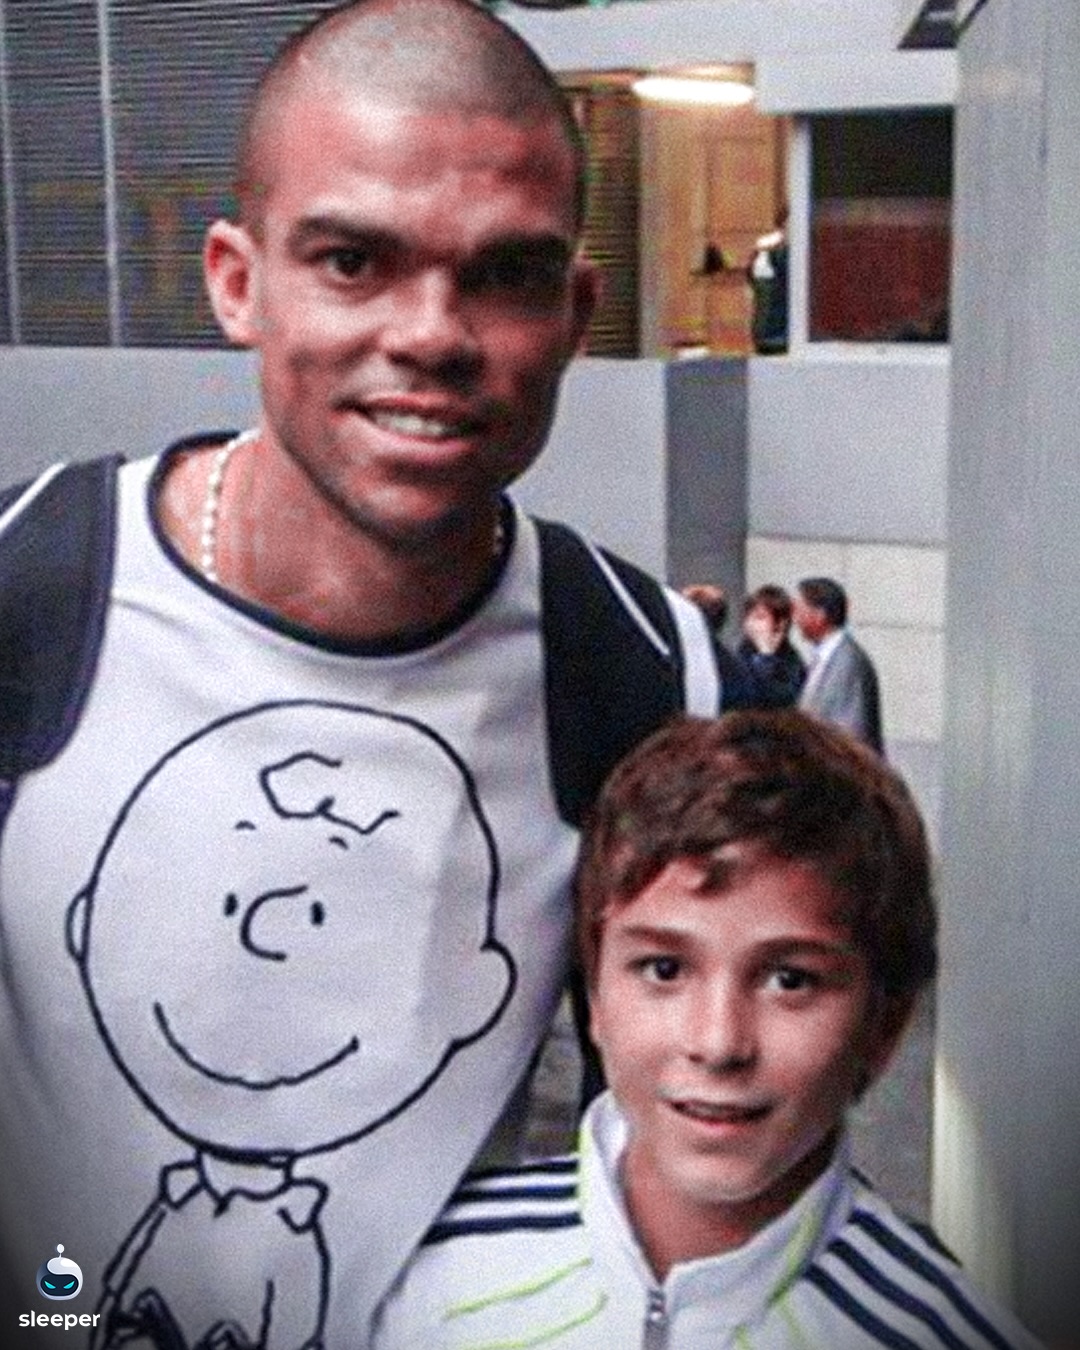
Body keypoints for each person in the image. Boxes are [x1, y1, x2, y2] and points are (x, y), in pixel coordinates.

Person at [0, 2, 727, 1345]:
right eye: (353, 260)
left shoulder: (633, 668)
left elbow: (686, 1158)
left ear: (576, 314)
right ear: (238, 282)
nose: (433, 333)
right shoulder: (31, 590)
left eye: (505, 275)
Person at [374, 710, 1042, 1349]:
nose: (719, 1043)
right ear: (595, 997)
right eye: (664, 969)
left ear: (883, 1026)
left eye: (790, 980)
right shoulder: (426, 1283)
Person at [794, 576, 884, 755]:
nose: (795, 619)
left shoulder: (849, 662)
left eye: (800, 610)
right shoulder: (825, 657)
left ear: (819, 615)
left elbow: (853, 732)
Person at [737, 583, 806, 708]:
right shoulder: (740, 653)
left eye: (759, 617)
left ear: (781, 624)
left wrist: (766, 658)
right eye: (748, 616)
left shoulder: (792, 662)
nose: (750, 623)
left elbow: (779, 701)